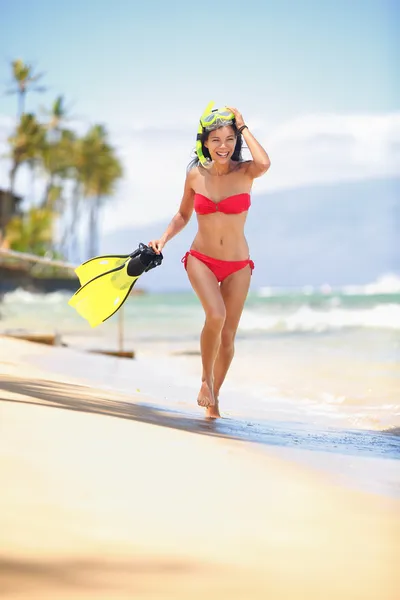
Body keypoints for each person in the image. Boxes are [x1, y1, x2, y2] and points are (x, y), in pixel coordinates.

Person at [149, 103, 270, 418]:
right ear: (204, 142)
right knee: (215, 316)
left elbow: (265, 162)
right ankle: (205, 379)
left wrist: (242, 125)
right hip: (201, 259)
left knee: (228, 336)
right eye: (216, 139)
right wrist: (163, 239)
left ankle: (214, 399)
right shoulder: (194, 174)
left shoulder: (245, 171)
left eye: (230, 139)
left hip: (238, 266)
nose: (224, 146)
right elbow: (182, 214)